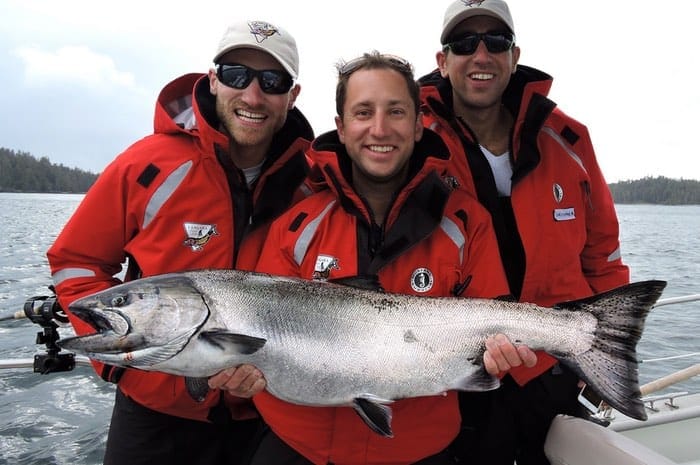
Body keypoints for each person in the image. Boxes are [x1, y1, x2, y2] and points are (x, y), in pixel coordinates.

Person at [46, 19, 314, 465]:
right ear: (213, 79)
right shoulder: (147, 165)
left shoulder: (312, 182)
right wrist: (119, 356)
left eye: (272, 81)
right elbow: (75, 261)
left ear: (292, 95)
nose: (252, 95)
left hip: (264, 413)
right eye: (236, 75)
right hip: (154, 415)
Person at [247, 51, 511, 465]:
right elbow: (258, 337)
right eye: (363, 112)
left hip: (420, 451)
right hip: (298, 448)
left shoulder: (466, 222)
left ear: (419, 124)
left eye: (396, 112)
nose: (380, 128)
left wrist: (500, 359)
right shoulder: (297, 227)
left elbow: (496, 325)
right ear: (341, 126)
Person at [418, 0, 630, 464]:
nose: (481, 55)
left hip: (551, 369)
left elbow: (603, 256)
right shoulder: (412, 138)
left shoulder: (569, 139)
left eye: (496, 42)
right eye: (463, 43)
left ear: (514, 56)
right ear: (442, 60)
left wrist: (587, 362)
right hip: (453, 370)